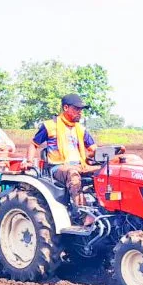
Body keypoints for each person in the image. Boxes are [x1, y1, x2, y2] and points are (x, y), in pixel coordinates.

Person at [26, 94, 98, 226]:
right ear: (65, 107)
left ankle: (105, 210)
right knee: (73, 174)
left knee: (107, 171)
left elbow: (93, 149)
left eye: (81, 110)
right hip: (58, 167)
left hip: (80, 165)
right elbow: (34, 144)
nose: (80, 112)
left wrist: (110, 153)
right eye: (76, 109)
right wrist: (30, 162)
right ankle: (84, 215)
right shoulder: (50, 126)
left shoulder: (81, 130)